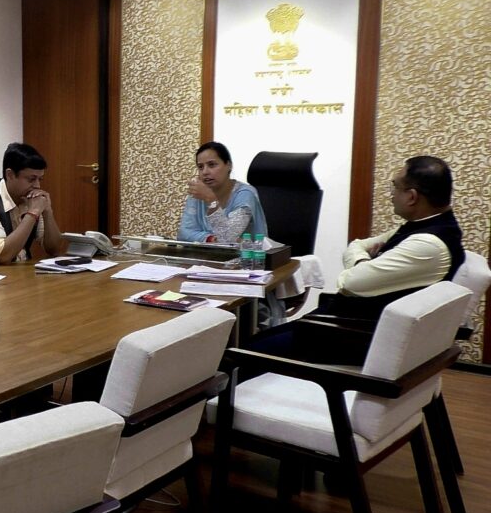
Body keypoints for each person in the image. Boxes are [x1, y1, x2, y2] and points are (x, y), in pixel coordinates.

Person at [248, 155, 464, 365]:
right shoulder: (423, 228)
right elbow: (357, 245)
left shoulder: (427, 244)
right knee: (253, 342)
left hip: (352, 336)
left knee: (244, 352)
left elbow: (351, 282)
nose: (391, 195)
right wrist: (365, 262)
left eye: (395, 187)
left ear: (411, 197)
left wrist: (361, 265)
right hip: (343, 324)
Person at [0, 142, 66, 270]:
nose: (37, 186)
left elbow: (55, 250)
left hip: (17, 276)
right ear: (10, 175)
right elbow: (3, 256)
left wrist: (47, 211)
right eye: (31, 179)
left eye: (40, 179)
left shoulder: (30, 200)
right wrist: (33, 213)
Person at [177, 141, 267, 243]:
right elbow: (184, 233)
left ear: (229, 165)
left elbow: (228, 238)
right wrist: (211, 239)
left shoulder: (245, 194)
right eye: (200, 167)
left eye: (212, 165)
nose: (205, 172)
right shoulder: (198, 193)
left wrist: (211, 200)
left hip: (245, 253)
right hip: (204, 252)